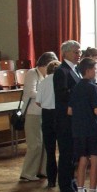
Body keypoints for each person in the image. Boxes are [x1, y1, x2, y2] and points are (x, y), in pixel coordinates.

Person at [68, 57, 97, 192]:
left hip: (78, 129)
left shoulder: (76, 87)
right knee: (95, 160)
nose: (96, 72)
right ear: (88, 70)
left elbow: (70, 111)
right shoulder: (93, 87)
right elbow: (96, 110)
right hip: (92, 128)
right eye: (95, 69)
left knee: (82, 159)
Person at [19, 51, 58, 182]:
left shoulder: (46, 76)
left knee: (45, 144)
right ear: (45, 64)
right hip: (32, 113)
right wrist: (46, 93)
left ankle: (42, 170)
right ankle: (27, 173)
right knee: (35, 144)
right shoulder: (32, 73)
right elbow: (30, 92)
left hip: (44, 113)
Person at [54, 40, 82, 192]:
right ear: (65, 53)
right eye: (75, 52)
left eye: (79, 52)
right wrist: (81, 92)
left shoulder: (76, 69)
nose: (79, 55)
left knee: (72, 154)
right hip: (65, 120)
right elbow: (62, 94)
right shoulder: (61, 71)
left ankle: (72, 183)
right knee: (66, 154)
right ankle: (65, 188)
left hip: (75, 119)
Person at [35, 59, 61, 188]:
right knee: (63, 150)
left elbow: (38, 102)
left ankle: (51, 181)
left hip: (46, 116)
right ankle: (63, 180)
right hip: (59, 115)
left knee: (50, 151)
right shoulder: (60, 81)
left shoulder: (43, 82)